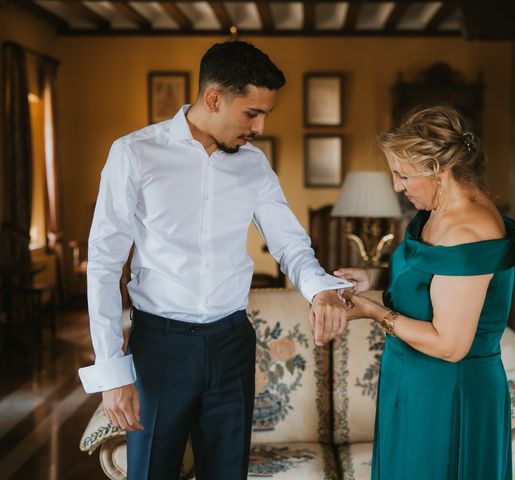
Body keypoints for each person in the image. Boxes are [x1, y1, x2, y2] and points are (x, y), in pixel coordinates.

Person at [77, 41, 351, 480]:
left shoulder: (254, 166)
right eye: (251, 113)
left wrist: (321, 290)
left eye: (265, 115)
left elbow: (290, 244)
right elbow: (105, 263)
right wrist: (112, 372)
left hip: (231, 344)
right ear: (213, 99)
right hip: (159, 348)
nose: (259, 126)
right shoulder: (134, 154)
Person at [335, 105, 515, 479]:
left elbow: (449, 346)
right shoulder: (440, 210)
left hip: (449, 394)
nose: (396, 186)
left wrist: (372, 312)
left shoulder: (469, 231)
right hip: (414, 381)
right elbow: (433, 275)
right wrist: (375, 277)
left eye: (403, 175)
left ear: (438, 170)